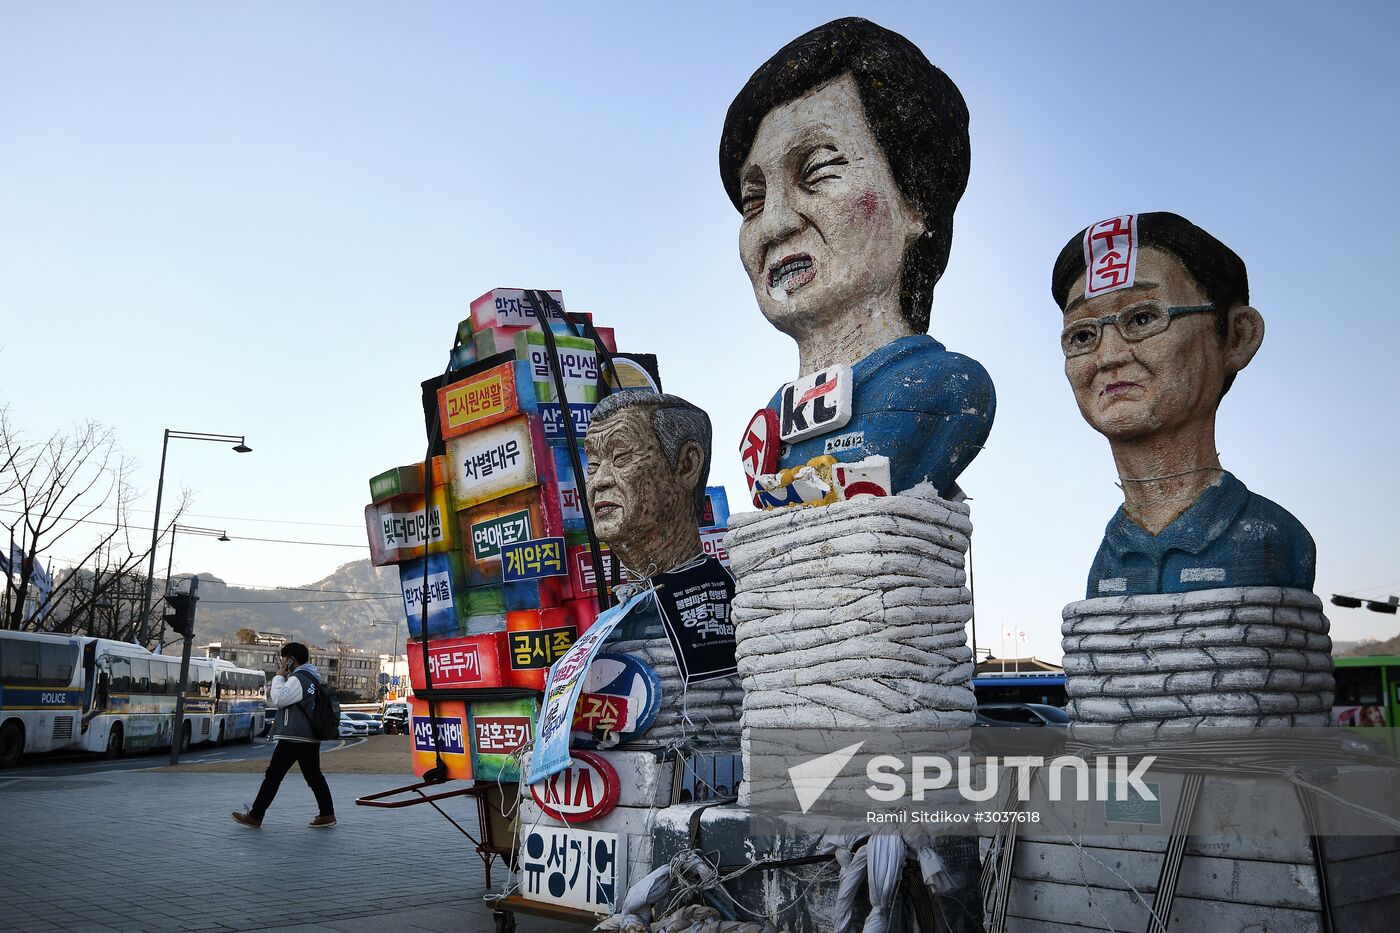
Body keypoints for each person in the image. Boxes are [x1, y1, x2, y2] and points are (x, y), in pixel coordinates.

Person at [720, 17, 994, 498]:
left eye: (820, 170)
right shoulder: (769, 427)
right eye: (754, 200)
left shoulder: (940, 391)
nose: (775, 223)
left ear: (916, 203)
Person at [1050, 211, 1315, 597]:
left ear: (1238, 336)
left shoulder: (1272, 539)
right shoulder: (1108, 560)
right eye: (1082, 335)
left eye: (1141, 319)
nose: (1107, 356)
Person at [231, 642, 336, 828]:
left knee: (273, 776)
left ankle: (256, 816)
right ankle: (327, 814)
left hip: (294, 736)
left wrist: (279, 677)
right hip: (307, 736)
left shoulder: (299, 679)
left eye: (283, 658)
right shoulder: (312, 678)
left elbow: (279, 699)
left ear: (290, 660)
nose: (281, 662)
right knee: (313, 776)